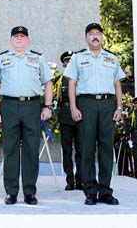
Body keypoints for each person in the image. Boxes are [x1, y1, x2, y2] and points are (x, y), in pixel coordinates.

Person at [0, 26, 54, 205]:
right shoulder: (2, 58)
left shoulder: (38, 58)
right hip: (9, 106)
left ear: (28, 40)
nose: (19, 39)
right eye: (16, 36)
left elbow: (48, 83)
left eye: (22, 36)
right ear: (11, 40)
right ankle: (11, 192)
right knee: (10, 150)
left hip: (32, 106)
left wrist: (47, 107)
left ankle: (30, 192)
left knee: (31, 151)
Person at [64, 22, 125, 206]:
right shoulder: (77, 58)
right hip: (86, 104)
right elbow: (72, 84)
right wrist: (73, 108)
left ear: (102, 37)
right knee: (87, 149)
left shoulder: (111, 59)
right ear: (86, 38)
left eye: (98, 33)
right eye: (91, 34)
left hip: (107, 104)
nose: (95, 36)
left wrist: (119, 107)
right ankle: (90, 191)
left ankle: (105, 191)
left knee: (106, 149)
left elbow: (117, 85)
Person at [56, 50, 83, 190]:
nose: (69, 63)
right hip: (66, 116)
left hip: (81, 117)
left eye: (71, 61)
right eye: (67, 61)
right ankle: (69, 180)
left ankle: (80, 180)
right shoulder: (60, 80)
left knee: (81, 150)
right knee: (66, 150)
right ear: (64, 64)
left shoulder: (82, 77)